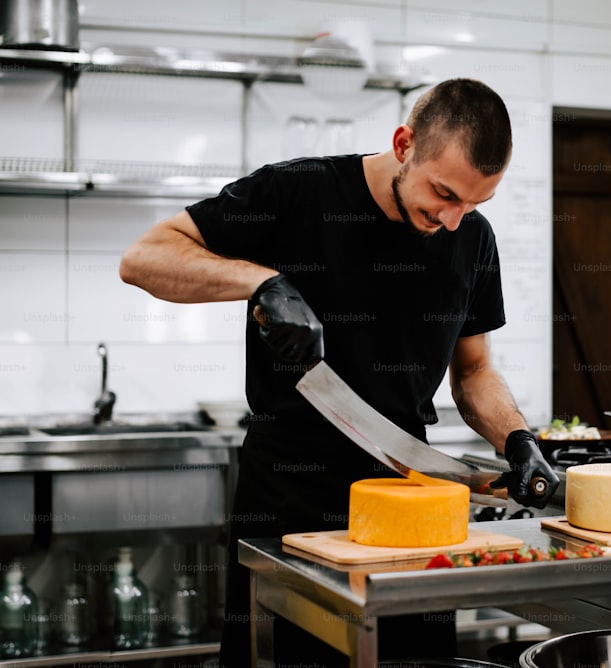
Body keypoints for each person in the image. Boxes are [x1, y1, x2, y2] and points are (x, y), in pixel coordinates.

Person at [118, 77, 560, 666]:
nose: (453, 220)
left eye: (474, 205)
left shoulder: (472, 238)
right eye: (444, 194)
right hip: (290, 494)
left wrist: (518, 438)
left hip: (410, 493)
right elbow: (143, 258)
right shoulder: (298, 191)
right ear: (404, 144)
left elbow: (474, 371)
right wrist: (262, 282)